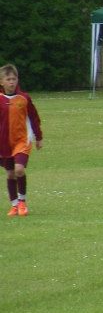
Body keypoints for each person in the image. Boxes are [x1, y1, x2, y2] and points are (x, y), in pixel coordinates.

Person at [1, 65, 43, 217]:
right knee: (10, 174)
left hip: (22, 141)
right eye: (8, 79)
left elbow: (34, 117)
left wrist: (38, 137)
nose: (12, 82)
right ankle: (14, 205)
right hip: (4, 144)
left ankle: (22, 202)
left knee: (19, 169)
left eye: (14, 79)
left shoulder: (24, 98)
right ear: (1, 82)